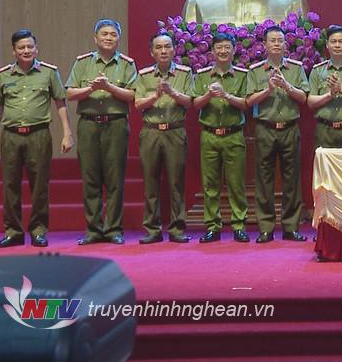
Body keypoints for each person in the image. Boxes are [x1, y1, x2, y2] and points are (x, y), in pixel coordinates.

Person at [0, 30, 73, 248]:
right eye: (21, 47)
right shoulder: (4, 76)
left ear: (36, 49)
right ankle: (13, 232)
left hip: (39, 135)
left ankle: (38, 231)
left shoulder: (49, 73)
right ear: (14, 51)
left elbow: (60, 104)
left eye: (30, 47)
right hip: (11, 136)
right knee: (10, 187)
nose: (26, 51)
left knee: (40, 186)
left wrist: (67, 133)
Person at [66, 19, 138, 245]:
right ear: (95, 38)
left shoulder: (127, 64)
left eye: (113, 35)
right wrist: (91, 89)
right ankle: (93, 230)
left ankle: (113, 229)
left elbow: (133, 95)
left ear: (119, 38)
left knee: (115, 179)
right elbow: (69, 93)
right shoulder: (82, 63)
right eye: (104, 34)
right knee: (91, 178)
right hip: (88, 124)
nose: (108, 38)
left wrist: (108, 87)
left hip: (116, 124)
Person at [246, 25, 310, 243]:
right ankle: (266, 227)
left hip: (290, 128)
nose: (276, 44)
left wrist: (286, 86)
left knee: (292, 179)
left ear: (285, 44)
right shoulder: (255, 71)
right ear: (264, 45)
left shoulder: (295, 68)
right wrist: (269, 90)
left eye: (280, 41)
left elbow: (304, 98)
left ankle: (291, 227)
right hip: (265, 128)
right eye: (272, 40)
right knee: (264, 180)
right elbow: (248, 101)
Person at [134, 33, 195, 244]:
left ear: (174, 49)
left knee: (176, 182)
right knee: (151, 182)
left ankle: (177, 228)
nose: (163, 51)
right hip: (151, 131)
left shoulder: (185, 73)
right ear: (152, 52)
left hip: (175, 131)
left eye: (167, 47)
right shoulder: (143, 75)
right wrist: (155, 96)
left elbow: (190, 102)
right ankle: (152, 229)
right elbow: (137, 104)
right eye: (158, 48)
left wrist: (173, 92)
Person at [193, 32, 251, 243]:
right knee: (210, 184)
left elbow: (247, 104)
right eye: (219, 48)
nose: (223, 51)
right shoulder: (202, 75)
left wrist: (226, 96)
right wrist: (209, 94)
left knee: (236, 183)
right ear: (213, 51)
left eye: (227, 47)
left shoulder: (243, 75)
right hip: (209, 135)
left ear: (234, 50)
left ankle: (239, 225)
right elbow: (195, 104)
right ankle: (212, 226)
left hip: (233, 134)